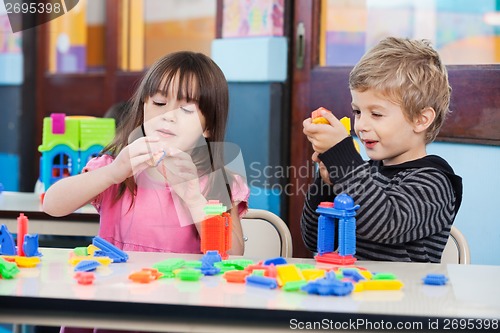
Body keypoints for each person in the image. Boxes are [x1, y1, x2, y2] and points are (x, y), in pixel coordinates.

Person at [43, 51, 249, 256]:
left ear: (208, 127)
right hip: (114, 286)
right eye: (159, 103)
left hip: (182, 288)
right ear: (143, 110)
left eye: (186, 110)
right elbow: (52, 205)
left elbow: (233, 254)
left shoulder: (216, 181)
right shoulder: (118, 168)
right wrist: (111, 174)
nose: (168, 116)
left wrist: (195, 201)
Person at [301, 37, 463, 263]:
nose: (361, 125)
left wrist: (343, 160)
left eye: (376, 114)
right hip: (356, 291)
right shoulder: (361, 176)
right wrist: (327, 183)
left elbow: (385, 223)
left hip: (403, 295)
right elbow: (314, 239)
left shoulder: (434, 182)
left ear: (420, 119)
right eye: (357, 112)